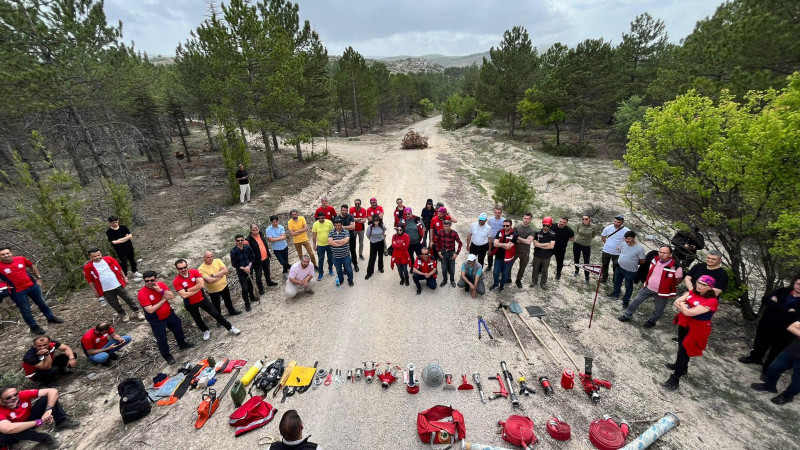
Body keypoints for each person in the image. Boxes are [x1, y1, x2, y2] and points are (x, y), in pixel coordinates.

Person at [662, 275, 719, 390]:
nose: (700, 286)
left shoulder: (711, 301)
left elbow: (687, 312)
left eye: (704, 285)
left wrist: (684, 305)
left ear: (710, 287)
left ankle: (675, 379)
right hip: (685, 324)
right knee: (681, 347)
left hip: (697, 328)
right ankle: (682, 367)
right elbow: (676, 302)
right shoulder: (693, 291)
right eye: (699, 283)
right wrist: (687, 308)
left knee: (684, 350)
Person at [738, 275, 800, 375]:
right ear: (794, 283)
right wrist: (786, 309)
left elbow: (795, 316)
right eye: (798, 284)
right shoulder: (782, 291)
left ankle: (767, 370)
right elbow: (765, 299)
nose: (799, 287)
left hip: (785, 330)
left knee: (776, 351)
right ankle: (755, 358)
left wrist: (775, 305)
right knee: (760, 342)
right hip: (767, 323)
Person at [172, 259, 240, 341]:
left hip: (202, 298)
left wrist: (188, 290)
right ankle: (205, 330)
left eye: (184, 267)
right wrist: (195, 288)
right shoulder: (176, 281)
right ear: (176, 269)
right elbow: (183, 295)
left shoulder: (194, 272)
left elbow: (201, 284)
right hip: (190, 303)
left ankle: (230, 327)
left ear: (187, 266)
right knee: (197, 319)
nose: (183, 270)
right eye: (180, 268)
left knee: (215, 313)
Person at [0, 248, 62, 335]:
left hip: (32, 286)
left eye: (7, 253)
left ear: (11, 253)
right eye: (3, 254)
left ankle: (51, 318)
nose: (6, 255)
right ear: (0, 256)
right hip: (17, 291)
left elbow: (31, 266)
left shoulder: (21, 258)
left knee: (42, 303)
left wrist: (39, 277)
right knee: (25, 310)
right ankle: (34, 327)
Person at [619, 246, 683, 328]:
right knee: (636, 301)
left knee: (659, 309)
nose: (661, 254)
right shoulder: (655, 259)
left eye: (664, 253)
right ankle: (627, 315)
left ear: (670, 254)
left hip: (662, 292)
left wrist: (667, 284)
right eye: (660, 252)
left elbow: (678, 280)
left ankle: (652, 321)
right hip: (648, 287)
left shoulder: (676, 266)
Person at [137, 271, 193, 364]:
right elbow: (150, 310)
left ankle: (182, 344)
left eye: (152, 280)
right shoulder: (142, 293)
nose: (150, 283)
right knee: (161, 338)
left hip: (169, 314)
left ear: (156, 278)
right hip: (156, 320)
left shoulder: (161, 285)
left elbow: (171, 296)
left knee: (178, 328)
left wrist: (161, 291)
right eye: (147, 281)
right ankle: (167, 355)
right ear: (144, 280)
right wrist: (163, 300)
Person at [0, 385, 80, 449]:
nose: (13, 398)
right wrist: (39, 422)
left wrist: (48, 410)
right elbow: (9, 428)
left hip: (28, 419)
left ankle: (61, 421)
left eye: (15, 394)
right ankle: (44, 438)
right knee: (12, 430)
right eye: (8, 398)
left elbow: (53, 391)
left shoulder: (22, 395)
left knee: (46, 399)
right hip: (15, 430)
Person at [82, 248, 144, 322]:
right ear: (90, 257)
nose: (98, 257)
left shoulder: (109, 259)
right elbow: (90, 281)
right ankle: (123, 313)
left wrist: (125, 278)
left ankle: (137, 311)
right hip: (105, 289)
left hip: (117, 284)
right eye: (95, 256)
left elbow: (119, 268)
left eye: (99, 255)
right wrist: (95, 291)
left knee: (128, 298)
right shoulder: (88, 267)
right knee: (114, 303)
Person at [751, 320, 800, 405]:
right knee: (775, 366)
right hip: (794, 350)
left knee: (797, 381)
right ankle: (769, 386)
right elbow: (792, 327)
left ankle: (787, 396)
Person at [198, 251, 241, 316]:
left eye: (212, 256)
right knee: (216, 305)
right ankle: (219, 320)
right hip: (213, 291)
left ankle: (232, 311)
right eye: (208, 257)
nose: (210, 258)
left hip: (224, 286)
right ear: (204, 258)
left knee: (228, 301)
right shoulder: (201, 269)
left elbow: (226, 270)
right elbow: (209, 280)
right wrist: (221, 275)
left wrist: (213, 275)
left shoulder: (217, 261)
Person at [610, 231, 646, 308]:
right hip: (619, 267)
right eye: (625, 238)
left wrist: (633, 262)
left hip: (630, 271)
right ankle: (616, 294)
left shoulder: (640, 249)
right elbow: (622, 252)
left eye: (628, 239)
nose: (626, 240)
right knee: (617, 281)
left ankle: (626, 301)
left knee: (628, 286)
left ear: (634, 238)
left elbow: (642, 261)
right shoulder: (623, 244)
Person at [246, 224, 278, 295]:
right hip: (257, 261)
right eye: (254, 230)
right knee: (258, 276)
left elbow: (264, 245)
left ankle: (269, 282)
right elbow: (247, 252)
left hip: (266, 258)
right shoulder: (248, 240)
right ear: (251, 230)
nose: (256, 231)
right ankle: (261, 289)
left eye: (257, 229)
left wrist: (268, 254)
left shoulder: (261, 234)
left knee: (267, 272)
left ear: (259, 228)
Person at [230, 235, 258, 311]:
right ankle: (247, 303)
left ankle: (252, 297)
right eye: (238, 241)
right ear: (235, 241)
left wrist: (249, 266)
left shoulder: (247, 247)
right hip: (241, 272)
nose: (240, 242)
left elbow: (252, 257)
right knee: (244, 288)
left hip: (249, 269)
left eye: (241, 240)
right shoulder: (233, 251)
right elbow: (234, 264)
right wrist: (243, 268)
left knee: (250, 285)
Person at [490, 219, 517, 293]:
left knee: (505, 273)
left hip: (508, 258)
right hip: (498, 256)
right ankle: (496, 284)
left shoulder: (514, 235)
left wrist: (500, 244)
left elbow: (509, 247)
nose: (505, 227)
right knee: (495, 272)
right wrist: (504, 245)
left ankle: (502, 285)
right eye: (504, 225)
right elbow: (495, 244)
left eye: (507, 226)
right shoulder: (500, 232)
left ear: (511, 226)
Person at [600, 215, 630, 284]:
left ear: (622, 223)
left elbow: (628, 241)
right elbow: (603, 237)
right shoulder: (608, 228)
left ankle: (615, 280)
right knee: (605, 265)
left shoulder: (626, 231)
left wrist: (622, 247)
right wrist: (608, 244)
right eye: (615, 221)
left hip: (617, 253)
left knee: (616, 267)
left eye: (618, 222)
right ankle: (604, 278)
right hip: (606, 251)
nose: (616, 223)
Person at [530, 217, 556, 290]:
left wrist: (540, 245)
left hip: (546, 256)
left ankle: (543, 283)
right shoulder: (537, 233)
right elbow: (535, 244)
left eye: (547, 226)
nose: (545, 227)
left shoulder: (552, 234)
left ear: (550, 225)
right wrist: (546, 244)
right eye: (544, 225)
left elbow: (551, 246)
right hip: (537, 255)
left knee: (545, 270)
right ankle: (534, 281)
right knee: (535, 268)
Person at [435, 220, 462, 287]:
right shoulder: (440, 232)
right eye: (444, 226)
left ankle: (452, 280)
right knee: (444, 268)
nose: (445, 228)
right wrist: (438, 251)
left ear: (450, 226)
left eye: (447, 226)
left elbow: (460, 243)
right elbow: (437, 242)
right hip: (443, 251)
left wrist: (456, 253)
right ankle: (444, 280)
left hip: (451, 252)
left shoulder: (454, 233)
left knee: (452, 268)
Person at [511, 213, 535, 289]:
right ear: (523, 218)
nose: (526, 220)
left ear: (530, 219)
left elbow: (528, 242)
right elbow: (513, 239)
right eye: (525, 218)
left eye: (528, 219)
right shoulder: (516, 227)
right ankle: (507, 278)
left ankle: (518, 280)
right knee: (509, 265)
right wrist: (523, 240)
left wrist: (518, 238)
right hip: (515, 250)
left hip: (525, 252)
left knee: (522, 267)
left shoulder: (532, 230)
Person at [329, 218, 354, 287]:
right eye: (336, 225)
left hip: (345, 256)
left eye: (339, 225)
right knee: (339, 270)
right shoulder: (331, 232)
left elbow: (346, 241)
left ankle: (350, 280)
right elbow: (330, 242)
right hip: (336, 257)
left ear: (342, 225)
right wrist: (341, 243)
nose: (337, 227)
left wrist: (335, 241)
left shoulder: (346, 231)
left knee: (349, 269)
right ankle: (341, 280)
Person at [573, 214, 598, 283]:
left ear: (590, 219)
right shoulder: (579, 224)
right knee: (576, 258)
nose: (584, 220)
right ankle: (576, 270)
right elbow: (578, 232)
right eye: (583, 219)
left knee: (586, 261)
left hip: (586, 245)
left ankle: (586, 276)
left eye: (586, 219)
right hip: (577, 243)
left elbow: (593, 235)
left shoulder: (593, 226)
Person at [336, 205, 360, 273]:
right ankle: (346, 267)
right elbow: (337, 228)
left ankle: (355, 265)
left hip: (351, 237)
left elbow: (353, 227)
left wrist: (343, 227)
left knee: (353, 251)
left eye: (346, 210)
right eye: (343, 210)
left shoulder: (350, 216)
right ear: (341, 210)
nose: (345, 211)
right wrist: (348, 226)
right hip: (342, 237)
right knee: (344, 252)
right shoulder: (337, 218)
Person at [311, 213, 334, 280]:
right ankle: (321, 273)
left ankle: (330, 269)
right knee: (321, 259)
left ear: (324, 217)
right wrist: (314, 245)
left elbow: (332, 233)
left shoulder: (329, 222)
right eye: (319, 218)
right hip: (320, 245)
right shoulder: (315, 224)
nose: (321, 219)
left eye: (322, 218)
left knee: (330, 258)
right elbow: (314, 236)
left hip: (329, 244)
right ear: (318, 218)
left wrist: (333, 242)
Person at [365, 215, 386, 280]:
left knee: (380, 256)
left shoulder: (382, 225)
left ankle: (380, 268)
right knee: (372, 258)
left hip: (380, 243)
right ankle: (369, 272)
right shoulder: (370, 227)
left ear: (379, 220)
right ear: (372, 220)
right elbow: (367, 235)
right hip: (373, 243)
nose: (376, 221)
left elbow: (383, 232)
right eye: (374, 220)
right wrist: (372, 240)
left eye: (377, 220)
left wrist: (380, 238)